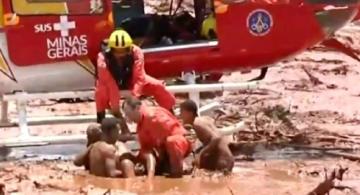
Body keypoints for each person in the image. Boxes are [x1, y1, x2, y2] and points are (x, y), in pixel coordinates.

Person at [95, 29, 176, 134]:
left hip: (132, 81)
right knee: (99, 92)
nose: (121, 54)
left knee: (158, 86)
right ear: (111, 49)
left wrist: (133, 99)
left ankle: (171, 117)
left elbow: (139, 77)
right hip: (110, 83)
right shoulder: (102, 58)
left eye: (124, 50)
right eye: (117, 51)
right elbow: (108, 82)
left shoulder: (137, 52)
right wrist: (116, 108)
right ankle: (102, 122)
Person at [121, 97, 192, 178]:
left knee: (171, 141)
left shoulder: (153, 116)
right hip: (164, 149)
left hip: (180, 144)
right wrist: (150, 174)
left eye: (128, 114)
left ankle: (177, 174)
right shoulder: (140, 127)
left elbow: (170, 137)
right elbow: (146, 151)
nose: (128, 118)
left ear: (137, 108)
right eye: (126, 115)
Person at [180, 99, 244, 173]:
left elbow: (217, 139)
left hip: (222, 160)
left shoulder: (196, 124)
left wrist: (200, 155)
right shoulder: (205, 119)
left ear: (189, 113)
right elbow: (213, 137)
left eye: (182, 112)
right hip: (226, 158)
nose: (180, 115)